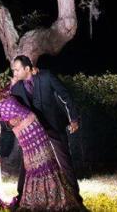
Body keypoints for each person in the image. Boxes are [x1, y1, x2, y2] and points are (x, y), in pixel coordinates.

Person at [0, 73, 84, 211]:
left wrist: (27, 71)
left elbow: (15, 80)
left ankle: (57, 198)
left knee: (49, 162)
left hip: (37, 128)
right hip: (26, 136)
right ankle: (38, 200)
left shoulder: (3, 93)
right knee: (36, 167)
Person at [9, 56, 82, 204]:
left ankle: (75, 197)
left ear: (27, 69)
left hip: (54, 127)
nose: (14, 72)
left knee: (65, 162)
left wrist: (73, 119)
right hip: (32, 135)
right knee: (26, 165)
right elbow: (11, 112)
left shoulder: (46, 76)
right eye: (13, 70)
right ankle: (20, 196)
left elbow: (65, 96)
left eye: (17, 69)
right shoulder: (15, 89)